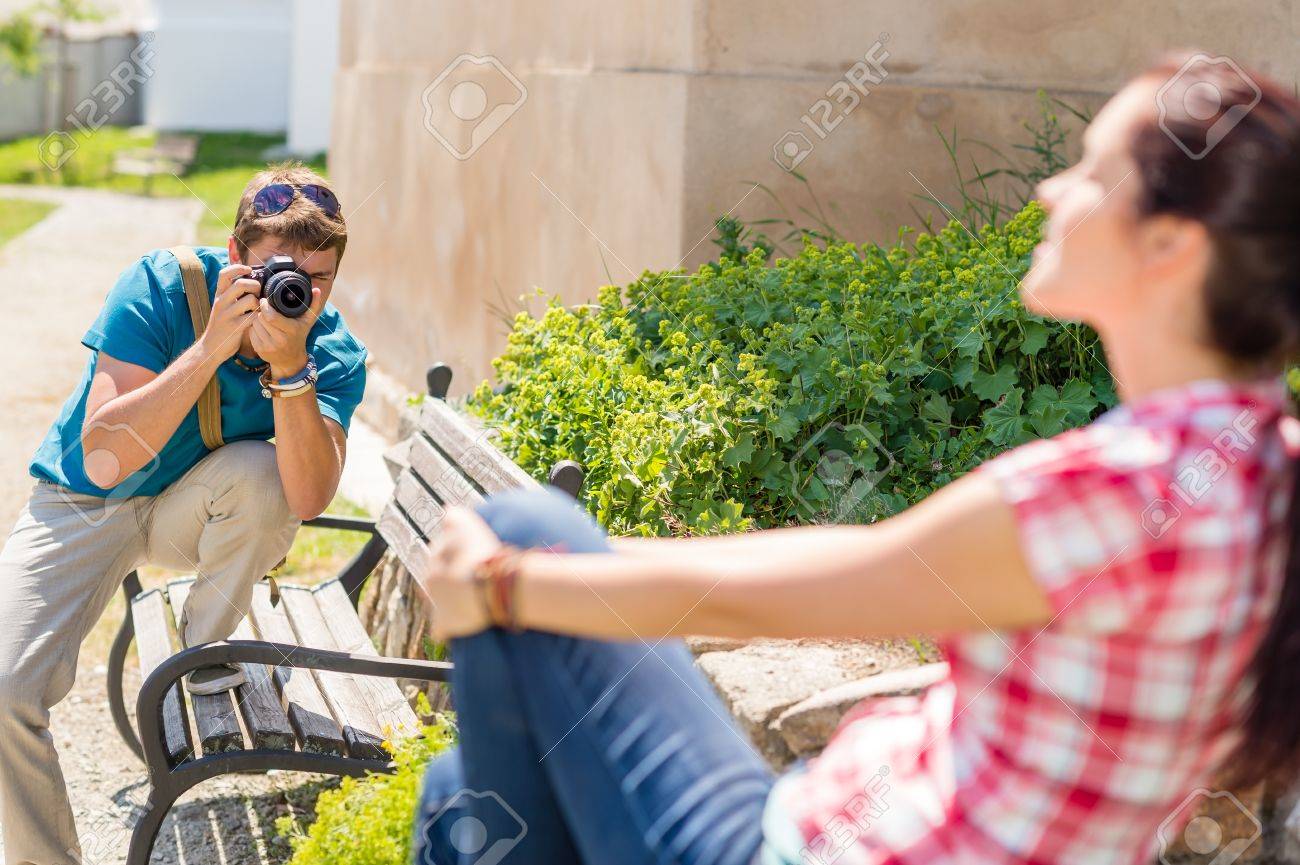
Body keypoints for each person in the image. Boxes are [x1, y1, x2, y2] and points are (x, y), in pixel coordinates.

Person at [412, 56, 1300, 865]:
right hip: (841, 818)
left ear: (1171, 246)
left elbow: (783, 597)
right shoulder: (1256, 460)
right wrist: (562, 565)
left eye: (1092, 174)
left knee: (516, 545)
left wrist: (505, 587)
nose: (1047, 189)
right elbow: (861, 552)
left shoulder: (1115, 490)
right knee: (458, 794)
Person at [0, 163, 366, 864]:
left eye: (319, 280)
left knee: (267, 476)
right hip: (86, 501)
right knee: (5, 689)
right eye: (281, 272)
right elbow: (104, 458)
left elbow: (309, 496)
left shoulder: (330, 350)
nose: (301, 293)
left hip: (194, 513)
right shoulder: (163, 286)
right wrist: (209, 350)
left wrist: (291, 372)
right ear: (237, 258)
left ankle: (197, 655)